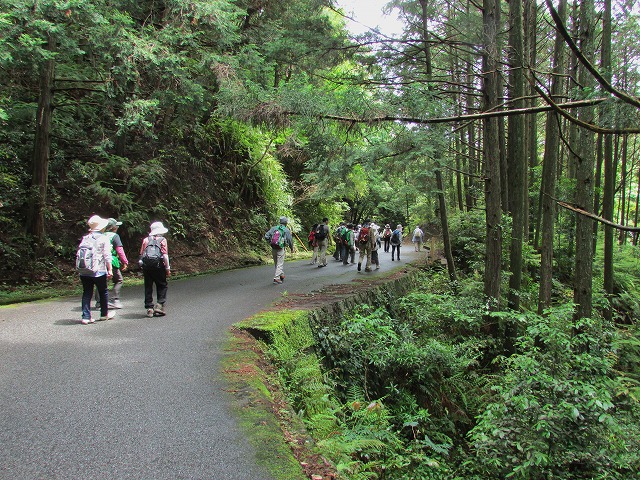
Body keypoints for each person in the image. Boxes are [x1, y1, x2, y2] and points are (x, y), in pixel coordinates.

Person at [78, 215, 114, 324]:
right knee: (103, 292)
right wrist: (110, 269)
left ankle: (86, 317)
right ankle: (104, 315)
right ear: (101, 227)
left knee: (87, 293)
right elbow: (107, 255)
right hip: (99, 270)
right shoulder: (104, 238)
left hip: (85, 270)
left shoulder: (85, 238)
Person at [139, 221, 171, 317]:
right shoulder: (162, 240)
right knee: (162, 285)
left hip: (147, 267)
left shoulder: (146, 240)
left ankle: (149, 308)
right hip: (158, 266)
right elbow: (165, 255)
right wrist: (167, 268)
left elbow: (141, 254)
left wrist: (141, 265)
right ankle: (159, 305)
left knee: (148, 286)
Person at [104, 218, 129, 309]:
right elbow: (119, 250)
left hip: (100, 261)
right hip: (111, 261)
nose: (117, 227)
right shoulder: (114, 236)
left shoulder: (101, 235)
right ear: (113, 227)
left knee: (102, 281)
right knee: (119, 280)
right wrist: (124, 261)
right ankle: (115, 299)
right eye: (116, 225)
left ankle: (100, 302)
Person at [265, 216, 294, 284]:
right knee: (280, 264)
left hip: (274, 247)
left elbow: (266, 236)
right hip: (281, 248)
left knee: (276, 263)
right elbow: (290, 240)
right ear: (286, 222)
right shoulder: (286, 230)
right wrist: (291, 248)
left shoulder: (274, 228)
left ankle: (281, 275)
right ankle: (277, 278)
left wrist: (270, 242)